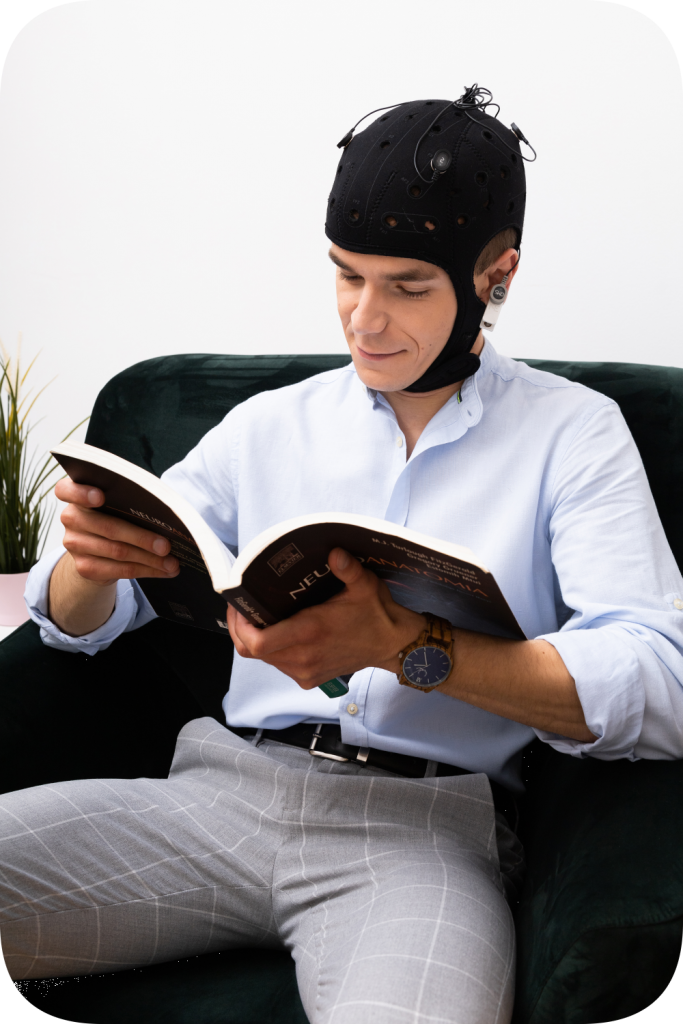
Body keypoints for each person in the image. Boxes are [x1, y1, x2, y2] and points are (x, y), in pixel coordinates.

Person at [2, 86, 683, 1024]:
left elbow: (660, 680)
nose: (363, 319)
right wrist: (90, 564)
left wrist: (406, 647)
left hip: (423, 838)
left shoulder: (574, 435)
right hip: (214, 797)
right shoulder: (267, 425)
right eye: (344, 275)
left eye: (406, 286)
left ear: (495, 276)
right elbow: (75, 625)